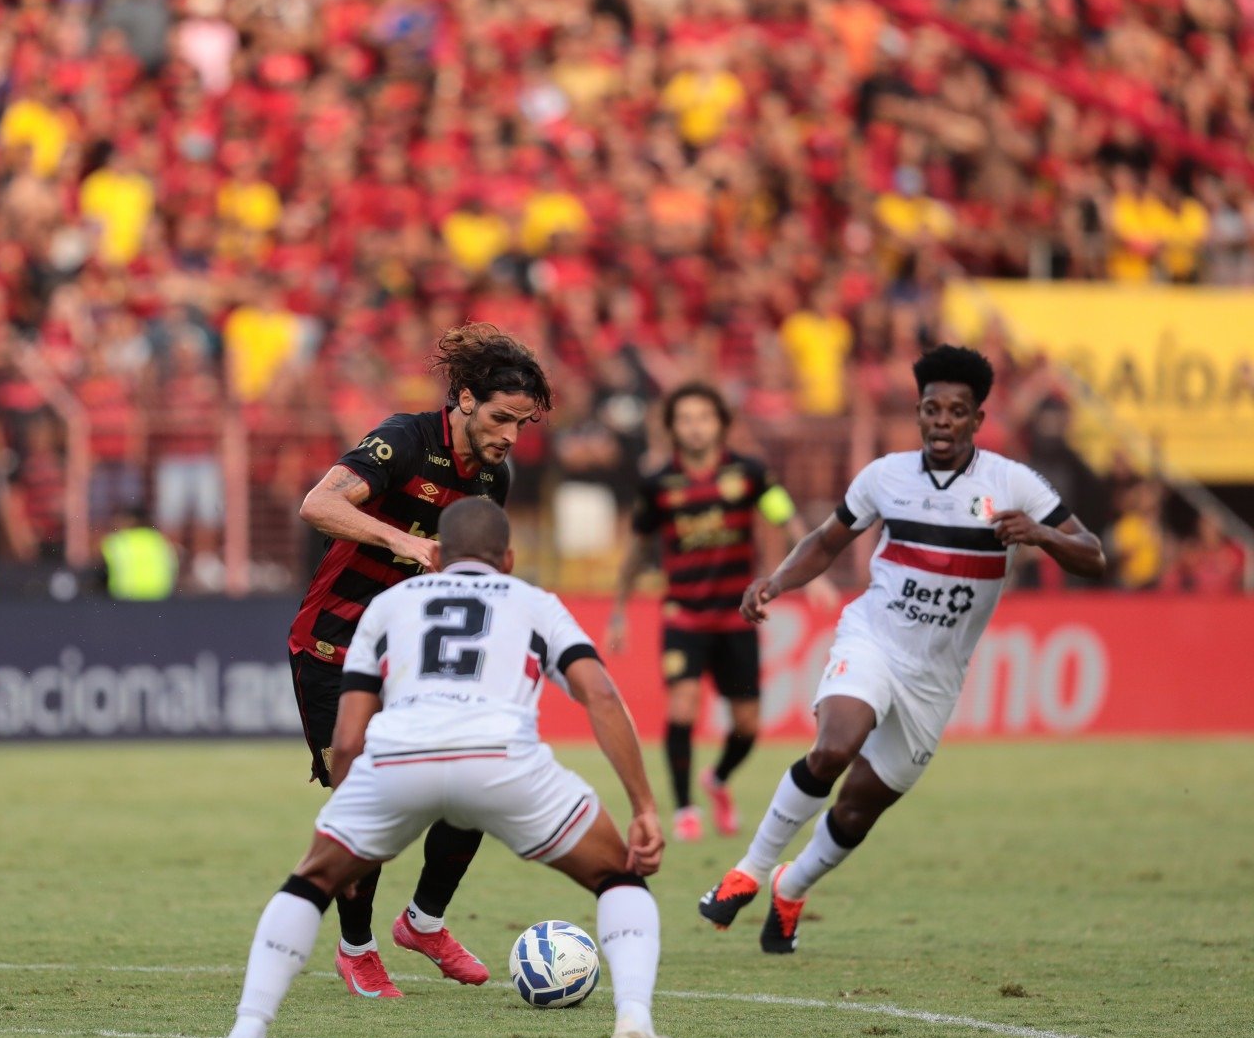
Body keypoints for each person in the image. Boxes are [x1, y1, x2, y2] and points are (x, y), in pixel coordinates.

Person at [200, 498, 681, 1038]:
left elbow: (348, 737)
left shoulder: (389, 604)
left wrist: (352, 820)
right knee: (618, 878)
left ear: (437, 555)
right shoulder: (535, 603)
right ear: (507, 559)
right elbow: (601, 697)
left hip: (402, 758)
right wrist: (644, 808)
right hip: (503, 762)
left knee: (309, 883)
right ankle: (635, 1020)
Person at [698, 346, 1106, 953]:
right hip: (874, 639)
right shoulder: (885, 476)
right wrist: (775, 582)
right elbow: (825, 539)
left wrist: (1042, 534)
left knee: (859, 810)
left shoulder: (1012, 483)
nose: (942, 420)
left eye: (956, 411)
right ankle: (748, 873)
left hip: (935, 679)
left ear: (977, 420)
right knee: (834, 746)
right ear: (918, 414)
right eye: (931, 409)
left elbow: (1094, 554)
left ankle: (792, 886)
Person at [287, 323, 551, 998]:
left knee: (471, 780)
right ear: (463, 398)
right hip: (334, 646)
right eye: (500, 418)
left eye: (522, 423)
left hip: (415, 657)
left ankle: (424, 922)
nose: (510, 435)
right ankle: (356, 948)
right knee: (366, 799)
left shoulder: (495, 476)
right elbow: (317, 503)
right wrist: (401, 540)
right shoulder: (404, 439)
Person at [603, 382, 817, 843]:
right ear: (673, 427)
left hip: (738, 616)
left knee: (747, 724)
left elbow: (787, 517)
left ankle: (717, 780)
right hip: (683, 614)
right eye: (685, 418)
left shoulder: (750, 474)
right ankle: (684, 808)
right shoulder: (659, 484)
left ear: (720, 423)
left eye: (704, 417)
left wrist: (809, 573)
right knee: (682, 705)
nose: (695, 427)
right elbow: (638, 550)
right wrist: (619, 608)